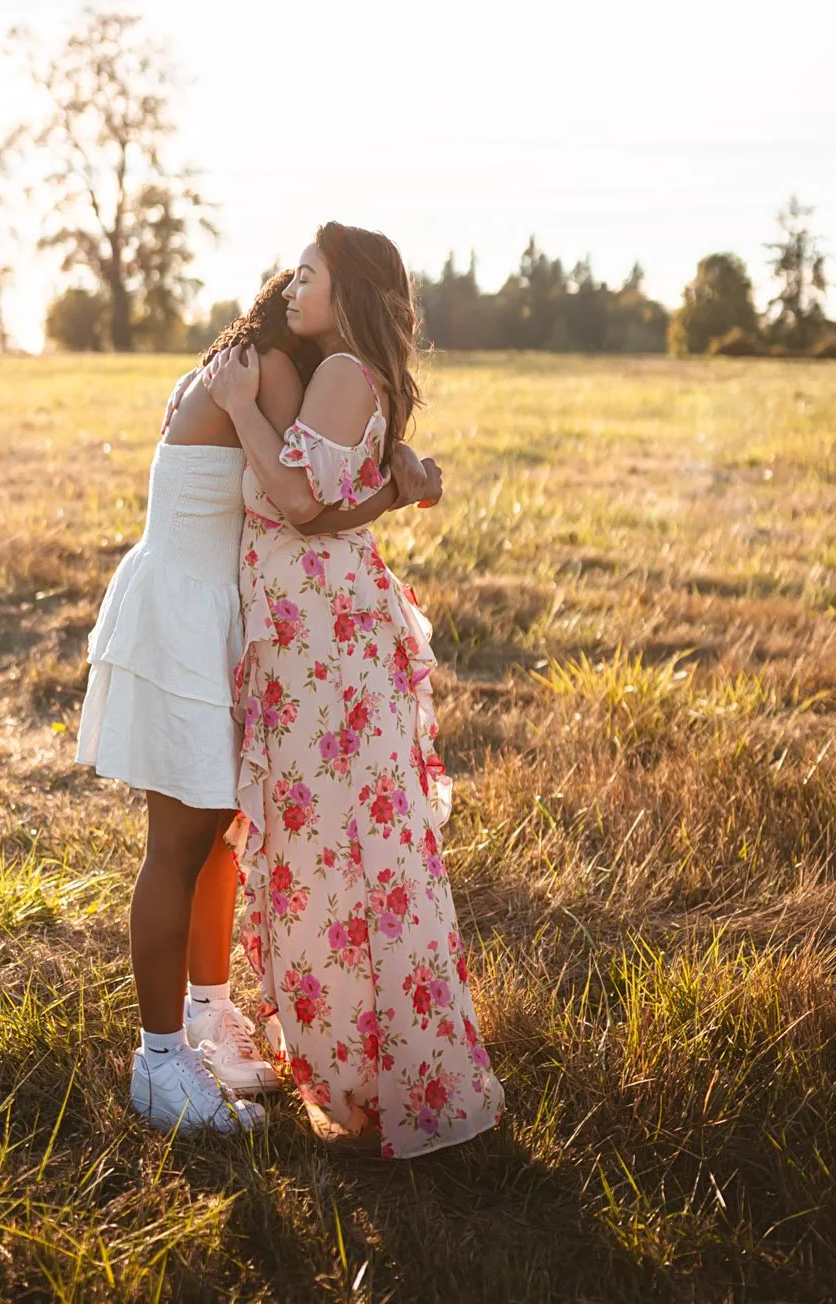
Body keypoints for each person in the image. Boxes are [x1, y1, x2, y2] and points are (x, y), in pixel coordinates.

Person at [76, 271, 442, 1136]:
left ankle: (205, 1016)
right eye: (304, 276)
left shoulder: (242, 358)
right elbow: (306, 505)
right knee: (178, 844)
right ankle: (159, 1063)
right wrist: (402, 485)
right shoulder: (272, 370)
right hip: (189, 616)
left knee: (217, 838)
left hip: (203, 607)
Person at [201, 223, 503, 1157]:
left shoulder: (338, 374)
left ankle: (379, 1073)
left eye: (311, 273)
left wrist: (237, 404)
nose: (293, 285)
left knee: (334, 853)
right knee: (356, 849)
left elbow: (294, 505)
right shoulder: (356, 373)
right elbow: (333, 504)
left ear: (352, 288)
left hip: (320, 648)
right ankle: (387, 1073)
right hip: (322, 639)